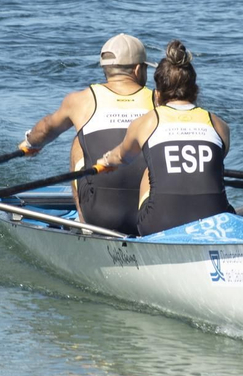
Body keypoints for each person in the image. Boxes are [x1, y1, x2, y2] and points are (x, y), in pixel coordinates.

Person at [93, 40, 232, 236]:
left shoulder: (146, 123)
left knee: (151, 170)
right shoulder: (219, 125)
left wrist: (105, 161)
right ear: (195, 91)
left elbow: (121, 157)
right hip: (216, 220)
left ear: (157, 95)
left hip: (160, 223)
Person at [18, 34, 154, 234]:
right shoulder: (160, 101)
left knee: (79, 143)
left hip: (102, 215)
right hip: (150, 212)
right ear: (137, 69)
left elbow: (46, 128)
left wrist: (30, 144)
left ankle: (85, 226)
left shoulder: (81, 100)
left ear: (105, 69)